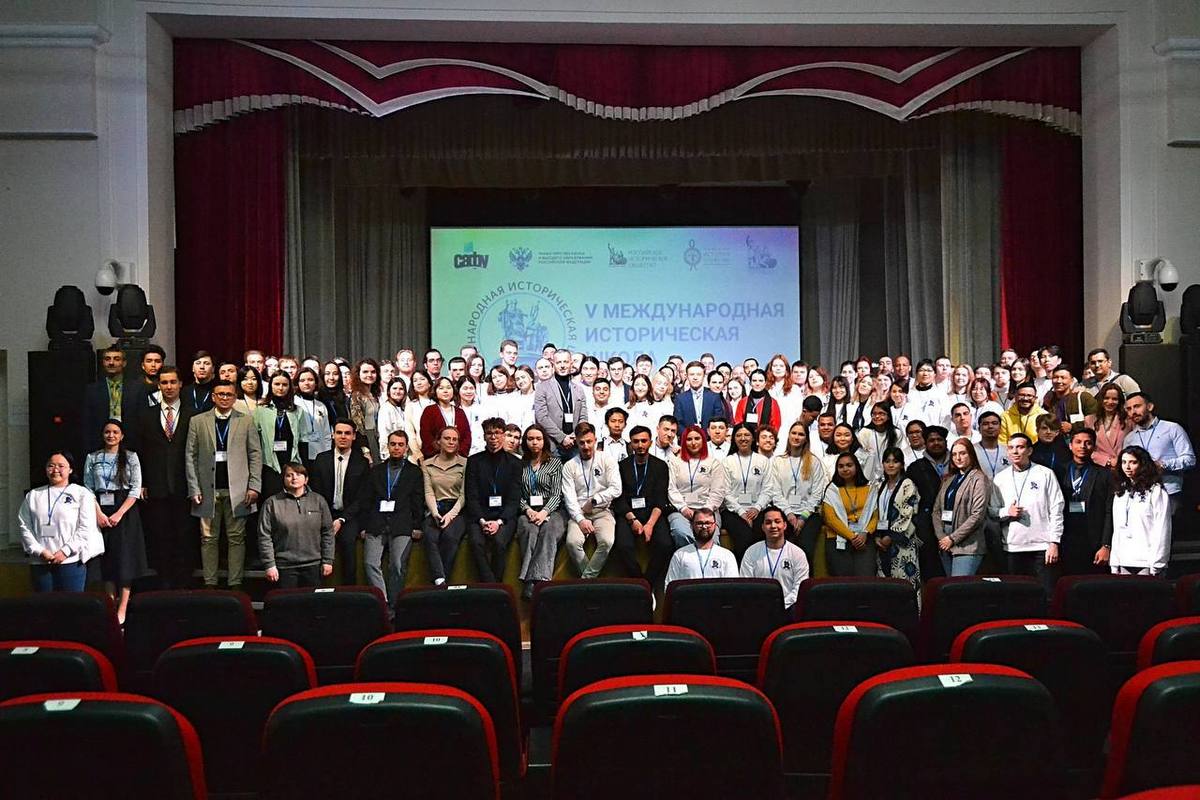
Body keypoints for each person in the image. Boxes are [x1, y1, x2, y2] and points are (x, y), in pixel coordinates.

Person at [185, 380, 262, 590]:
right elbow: (190, 456)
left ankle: (235, 583)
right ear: (213, 397)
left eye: (229, 394)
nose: (225, 398)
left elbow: (255, 455)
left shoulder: (246, 421)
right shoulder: (197, 421)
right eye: (220, 394)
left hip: (238, 489)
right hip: (206, 489)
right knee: (208, 538)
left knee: (236, 538)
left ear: (235, 397)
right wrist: (194, 488)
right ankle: (210, 583)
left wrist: (254, 486)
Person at [84, 420, 150, 622]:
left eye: (115, 432)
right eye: (107, 432)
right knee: (107, 559)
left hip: (124, 510)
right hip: (100, 510)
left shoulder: (131, 457)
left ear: (122, 436)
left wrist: (119, 513)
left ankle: (123, 607)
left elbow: (135, 488)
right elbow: (88, 487)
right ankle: (111, 603)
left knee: (125, 559)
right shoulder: (93, 457)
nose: (111, 435)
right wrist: (98, 513)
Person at [135, 366, 195, 589]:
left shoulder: (193, 415)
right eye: (164, 383)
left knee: (184, 536)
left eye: (172, 382)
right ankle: (164, 584)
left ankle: (184, 584)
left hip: (184, 485)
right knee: (160, 537)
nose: (169, 387)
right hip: (156, 486)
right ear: (158, 386)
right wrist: (142, 482)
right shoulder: (146, 415)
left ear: (180, 384)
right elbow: (140, 452)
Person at [988, 433, 1063, 599]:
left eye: (1020, 447)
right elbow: (991, 510)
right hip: (1013, 547)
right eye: (1011, 448)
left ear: (1029, 450)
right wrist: (1006, 512)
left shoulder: (1045, 473)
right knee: (1016, 596)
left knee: (1045, 595)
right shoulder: (1000, 478)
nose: (1015, 451)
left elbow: (1056, 509)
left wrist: (1054, 542)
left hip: (1042, 546)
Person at [18, 452, 102, 592]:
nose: (55, 469)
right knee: (43, 603)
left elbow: (86, 527)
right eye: (51, 466)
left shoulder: (81, 493)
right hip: (40, 562)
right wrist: (40, 551)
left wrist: (65, 551)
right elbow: (24, 525)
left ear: (70, 469)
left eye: (61, 466)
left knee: (70, 604)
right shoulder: (33, 495)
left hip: (71, 561)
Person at [358, 431, 424, 609]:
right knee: (370, 563)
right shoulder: (376, 471)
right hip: (376, 523)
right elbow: (366, 501)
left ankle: (394, 604)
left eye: (400, 445)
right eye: (393, 444)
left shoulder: (414, 472)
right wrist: (363, 526)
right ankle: (383, 602)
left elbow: (417, 501)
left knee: (397, 564)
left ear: (406, 447)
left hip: (402, 524)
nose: (396, 448)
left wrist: (417, 526)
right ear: (388, 446)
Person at [612, 425, 674, 594]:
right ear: (630, 444)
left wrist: (650, 525)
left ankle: (648, 583)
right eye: (636, 441)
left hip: (652, 513)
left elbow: (661, 498)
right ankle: (640, 583)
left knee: (665, 544)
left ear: (650, 442)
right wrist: (633, 520)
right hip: (628, 513)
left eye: (644, 441)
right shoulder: (621, 466)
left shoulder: (660, 466)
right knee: (623, 546)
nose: (640, 445)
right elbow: (619, 498)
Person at [257, 462, 334, 589]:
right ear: (283, 479)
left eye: (298, 474)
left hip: (314, 565)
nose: (294, 478)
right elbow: (264, 536)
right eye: (289, 475)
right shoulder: (271, 503)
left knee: (313, 601)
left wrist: (328, 560)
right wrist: (269, 565)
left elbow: (328, 532)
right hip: (284, 567)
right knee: (287, 601)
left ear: (306, 479)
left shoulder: (319, 501)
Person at [465, 418, 523, 583]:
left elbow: (514, 497)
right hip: (480, 516)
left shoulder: (515, 463)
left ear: (503, 435)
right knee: (476, 543)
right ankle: (491, 585)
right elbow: (471, 495)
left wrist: (498, 522)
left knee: (499, 542)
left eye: (497, 433)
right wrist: (483, 521)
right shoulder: (474, 461)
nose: (493, 437)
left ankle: (495, 587)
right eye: (489, 433)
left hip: (504, 516)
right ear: (484, 436)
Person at [562, 422, 622, 580]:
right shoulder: (569, 466)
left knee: (607, 541)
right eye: (581, 442)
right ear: (576, 442)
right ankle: (590, 581)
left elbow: (617, 488)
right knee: (572, 543)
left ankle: (586, 580)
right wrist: (580, 519)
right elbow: (569, 498)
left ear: (595, 440)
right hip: (579, 512)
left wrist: (595, 500)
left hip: (603, 510)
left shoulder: (607, 459)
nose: (586, 446)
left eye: (589, 441)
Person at [1053, 428, 1114, 576]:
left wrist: (1106, 545)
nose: (1082, 446)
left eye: (1088, 443)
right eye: (1078, 442)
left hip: (1094, 540)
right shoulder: (1057, 472)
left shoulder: (1104, 474)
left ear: (1094, 446)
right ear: (1070, 445)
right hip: (1065, 538)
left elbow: (1109, 512)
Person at [515, 424, 565, 599]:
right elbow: (516, 493)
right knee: (529, 530)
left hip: (553, 509)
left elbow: (557, 494)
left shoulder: (555, 463)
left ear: (544, 441)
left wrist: (544, 512)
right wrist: (527, 510)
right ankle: (535, 580)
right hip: (527, 510)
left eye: (538, 439)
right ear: (525, 441)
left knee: (549, 530)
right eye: (530, 439)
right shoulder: (519, 464)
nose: (534, 442)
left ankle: (533, 581)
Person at [1124, 391, 1195, 514]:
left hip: (1168, 491)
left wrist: (1163, 465)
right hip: (1140, 495)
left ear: (1150, 407)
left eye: (1137, 406)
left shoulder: (1172, 428)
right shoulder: (1129, 438)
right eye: (1129, 409)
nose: (1133, 412)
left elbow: (1190, 459)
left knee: (1168, 526)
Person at [1110, 445, 1172, 576]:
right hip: (1123, 560)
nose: (1127, 467)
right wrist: (1114, 562)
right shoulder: (1121, 492)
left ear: (1143, 465)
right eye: (1124, 462)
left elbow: (1163, 528)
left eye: (1133, 462)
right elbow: (1117, 529)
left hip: (1148, 562)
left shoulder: (1156, 491)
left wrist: (1157, 564)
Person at [770, 421, 827, 562]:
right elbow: (775, 492)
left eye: (801, 434)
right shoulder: (778, 461)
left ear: (806, 438)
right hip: (784, 512)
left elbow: (817, 493)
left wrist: (803, 517)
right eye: (794, 433)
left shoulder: (814, 462)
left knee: (805, 549)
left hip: (808, 514)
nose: (796, 437)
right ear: (788, 435)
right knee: (782, 550)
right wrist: (789, 514)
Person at [933, 438, 989, 577]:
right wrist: (942, 537)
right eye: (954, 454)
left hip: (967, 545)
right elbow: (936, 511)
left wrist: (952, 538)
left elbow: (977, 515)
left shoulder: (979, 478)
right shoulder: (949, 479)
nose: (958, 458)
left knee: (959, 586)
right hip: (945, 542)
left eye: (963, 453)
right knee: (949, 586)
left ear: (971, 454)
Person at [666, 425, 729, 548]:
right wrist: (683, 508)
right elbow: (671, 488)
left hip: (708, 510)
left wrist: (706, 510)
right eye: (689, 439)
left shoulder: (713, 463)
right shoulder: (674, 462)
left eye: (697, 438)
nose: (693, 443)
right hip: (681, 511)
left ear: (703, 441)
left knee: (711, 540)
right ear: (683, 442)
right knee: (681, 533)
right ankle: (690, 559)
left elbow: (718, 490)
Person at [722, 422, 778, 560]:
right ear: (734, 439)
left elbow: (768, 489)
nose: (743, 438)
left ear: (753, 438)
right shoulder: (727, 462)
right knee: (744, 536)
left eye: (747, 435)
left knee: (759, 534)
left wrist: (757, 507)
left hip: (758, 509)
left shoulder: (763, 461)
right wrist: (741, 512)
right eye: (739, 435)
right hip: (733, 511)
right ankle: (743, 570)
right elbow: (725, 491)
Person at [421, 426, 469, 585]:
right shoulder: (427, 464)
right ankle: (439, 579)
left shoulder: (465, 463)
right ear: (438, 441)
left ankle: (443, 581)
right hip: (435, 508)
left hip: (457, 510)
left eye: (455, 439)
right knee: (429, 536)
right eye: (447, 438)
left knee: (450, 536)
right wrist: (435, 513)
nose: (451, 442)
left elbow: (464, 495)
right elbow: (429, 492)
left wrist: (450, 515)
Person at [820, 452, 880, 577]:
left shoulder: (869, 488)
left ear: (856, 467)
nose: (845, 469)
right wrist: (852, 537)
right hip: (837, 539)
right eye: (841, 466)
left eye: (849, 465)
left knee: (865, 578)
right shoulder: (832, 489)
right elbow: (831, 519)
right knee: (843, 582)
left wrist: (865, 533)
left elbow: (875, 515)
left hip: (864, 539)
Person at [739, 506, 809, 608]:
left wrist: (781, 605)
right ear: (763, 527)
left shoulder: (797, 553)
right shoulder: (751, 552)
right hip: (758, 608)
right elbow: (746, 585)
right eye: (768, 522)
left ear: (784, 525)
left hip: (789, 608)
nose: (773, 526)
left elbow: (800, 588)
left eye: (777, 521)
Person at [873, 446, 921, 592]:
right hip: (882, 542)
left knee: (904, 583)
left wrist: (891, 536)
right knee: (885, 584)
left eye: (895, 461)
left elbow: (908, 513)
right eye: (887, 461)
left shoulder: (908, 484)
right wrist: (877, 536)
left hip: (902, 542)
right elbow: (876, 512)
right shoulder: (881, 485)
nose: (891, 465)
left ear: (901, 464)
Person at [905, 424, 949, 581]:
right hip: (927, 525)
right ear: (925, 442)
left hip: (957, 523)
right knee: (931, 572)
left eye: (939, 439)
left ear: (945, 441)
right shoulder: (916, 468)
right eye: (931, 440)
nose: (936, 443)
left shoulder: (958, 463)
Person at [253, 372, 304, 501]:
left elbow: (303, 440)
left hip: (291, 462)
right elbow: (254, 439)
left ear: (289, 387)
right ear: (271, 386)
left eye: (284, 385)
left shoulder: (297, 410)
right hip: (269, 464)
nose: (280, 388)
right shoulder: (261, 410)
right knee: (271, 501)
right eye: (277, 384)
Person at [664, 508, 739, 589]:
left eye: (708, 523)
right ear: (692, 525)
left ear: (715, 525)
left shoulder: (727, 555)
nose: (704, 527)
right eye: (699, 523)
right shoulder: (680, 554)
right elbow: (669, 587)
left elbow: (733, 589)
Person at [82, 346, 140, 451]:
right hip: (99, 442)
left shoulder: (137, 388)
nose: (111, 363)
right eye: (107, 359)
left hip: (131, 442)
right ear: (103, 362)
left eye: (116, 359)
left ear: (124, 363)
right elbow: (87, 422)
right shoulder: (92, 389)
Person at [534, 348, 588, 457]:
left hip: (575, 444)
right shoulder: (542, 387)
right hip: (553, 445)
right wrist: (562, 438)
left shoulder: (579, 389)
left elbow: (583, 417)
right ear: (553, 364)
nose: (562, 365)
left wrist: (574, 436)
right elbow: (541, 417)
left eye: (565, 362)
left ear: (571, 363)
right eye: (559, 362)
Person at [419, 376, 471, 458]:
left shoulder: (460, 412)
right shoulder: (429, 411)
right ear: (435, 391)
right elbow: (426, 436)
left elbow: (467, 437)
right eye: (441, 388)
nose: (445, 391)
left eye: (449, 387)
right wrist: (441, 455)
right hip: (435, 459)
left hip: (459, 459)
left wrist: (459, 455)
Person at [672, 361, 726, 432]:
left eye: (699, 374)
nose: (695, 377)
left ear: (704, 376)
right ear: (687, 376)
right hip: (687, 437)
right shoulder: (680, 399)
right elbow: (678, 423)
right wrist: (689, 435)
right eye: (692, 374)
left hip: (709, 437)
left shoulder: (714, 397)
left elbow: (719, 421)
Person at [294, 366, 333, 464]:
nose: (306, 383)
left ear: (316, 383)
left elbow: (326, 433)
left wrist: (327, 452)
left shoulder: (321, 406)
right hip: (301, 450)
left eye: (310, 380)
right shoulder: (294, 403)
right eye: (302, 380)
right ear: (297, 383)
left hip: (319, 451)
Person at [1042, 366, 1098, 433]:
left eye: (1063, 378)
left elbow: (1095, 422)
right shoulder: (1049, 400)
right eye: (1055, 377)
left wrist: (1072, 427)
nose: (1059, 381)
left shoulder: (1083, 397)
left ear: (1072, 381)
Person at [1085, 384, 1129, 469]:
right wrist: (1107, 461)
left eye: (1114, 399)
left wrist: (1120, 461)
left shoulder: (1128, 421)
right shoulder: (1089, 420)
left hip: (1123, 468)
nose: (1110, 402)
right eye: (1106, 398)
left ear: (1119, 401)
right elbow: (1087, 448)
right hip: (1099, 467)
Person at [348, 358, 382, 464]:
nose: (369, 375)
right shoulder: (356, 396)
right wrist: (364, 449)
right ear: (358, 374)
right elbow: (357, 425)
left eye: (373, 372)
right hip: (365, 438)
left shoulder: (375, 395)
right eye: (365, 372)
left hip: (376, 436)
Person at [857, 402, 899, 479]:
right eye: (874, 414)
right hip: (868, 473)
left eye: (881, 413)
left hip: (892, 474)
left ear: (888, 416)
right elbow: (860, 456)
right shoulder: (864, 432)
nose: (877, 416)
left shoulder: (896, 433)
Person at [377, 378, 410, 459]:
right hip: (391, 455)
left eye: (401, 389)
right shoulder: (386, 408)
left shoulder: (402, 408)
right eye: (394, 388)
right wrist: (386, 455)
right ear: (389, 391)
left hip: (403, 454)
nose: (398, 391)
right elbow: (384, 435)